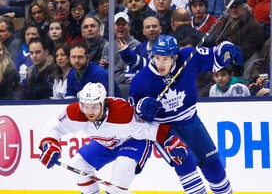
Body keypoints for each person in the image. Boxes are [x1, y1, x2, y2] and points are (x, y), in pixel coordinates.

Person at [129, 35, 243, 193]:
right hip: (165, 128)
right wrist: (141, 108)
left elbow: (216, 54)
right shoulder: (140, 81)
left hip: (191, 121)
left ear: (175, 57)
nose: (160, 63)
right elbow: (134, 116)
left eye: (165, 59)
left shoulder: (188, 57)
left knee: (214, 167)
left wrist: (228, 48)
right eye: (157, 58)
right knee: (185, 160)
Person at [39, 82, 186, 193]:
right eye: (85, 106)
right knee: (78, 163)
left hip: (133, 140)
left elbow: (148, 129)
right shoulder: (75, 112)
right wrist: (50, 144)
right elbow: (53, 127)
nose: (89, 112)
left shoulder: (121, 114)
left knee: (123, 167)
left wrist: (170, 139)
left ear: (103, 104)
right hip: (106, 142)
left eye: (94, 107)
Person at [214, 0, 264, 79]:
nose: (233, 10)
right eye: (231, 8)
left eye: (236, 7)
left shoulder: (253, 26)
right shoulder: (227, 20)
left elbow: (246, 50)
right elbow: (216, 36)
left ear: (244, 8)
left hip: (242, 59)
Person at [100, 12, 140, 84]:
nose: (120, 27)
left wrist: (108, 76)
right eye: (118, 24)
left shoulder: (136, 45)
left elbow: (127, 74)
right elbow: (102, 72)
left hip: (125, 85)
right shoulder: (107, 47)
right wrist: (101, 67)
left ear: (129, 27)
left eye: (123, 24)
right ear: (113, 27)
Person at [14, 22, 39, 88]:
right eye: (28, 34)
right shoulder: (19, 53)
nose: (30, 37)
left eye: (33, 34)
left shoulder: (42, 54)